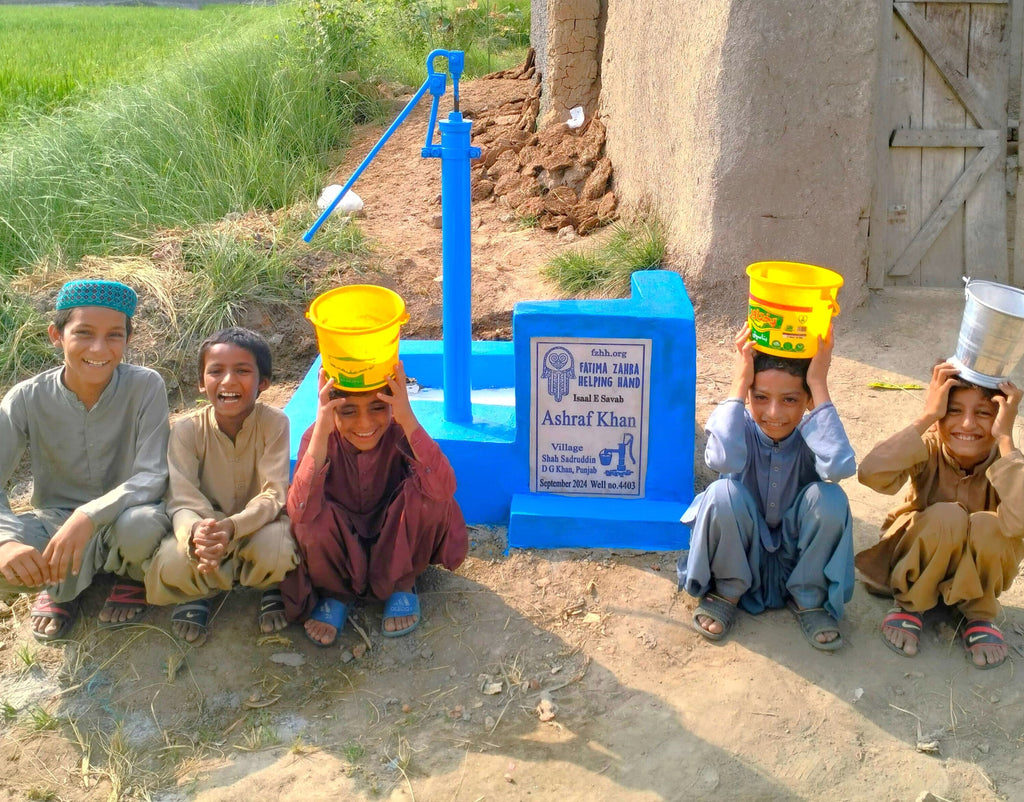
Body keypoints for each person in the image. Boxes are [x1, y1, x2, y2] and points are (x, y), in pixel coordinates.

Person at [0, 279, 170, 641]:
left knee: (142, 526)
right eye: (84, 333)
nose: (99, 348)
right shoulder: (26, 399)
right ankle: (62, 587)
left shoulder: (145, 387)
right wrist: (6, 542)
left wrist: (89, 515)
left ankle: (129, 576)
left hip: (126, 516)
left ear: (128, 338)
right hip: (57, 524)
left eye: (114, 335)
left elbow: (152, 476)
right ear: (56, 335)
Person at [677, 324, 856, 650]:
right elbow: (723, 460)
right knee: (721, 493)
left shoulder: (812, 434)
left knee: (830, 499)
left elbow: (840, 467)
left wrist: (819, 382)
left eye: (790, 399)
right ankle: (727, 589)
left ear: (807, 400)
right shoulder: (739, 425)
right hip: (741, 552)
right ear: (748, 394)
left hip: (796, 556)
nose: (774, 413)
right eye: (760, 397)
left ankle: (809, 597)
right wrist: (737, 383)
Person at [281, 361, 468, 646]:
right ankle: (336, 593)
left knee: (430, 498)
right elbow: (299, 511)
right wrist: (321, 430)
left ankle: (401, 584)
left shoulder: (400, 429)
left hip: (395, 538)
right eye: (348, 411)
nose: (365, 424)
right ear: (331, 410)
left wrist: (407, 418)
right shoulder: (319, 436)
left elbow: (444, 489)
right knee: (309, 520)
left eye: (378, 407)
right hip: (340, 542)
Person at [856, 362, 1023, 669]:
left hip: (974, 578)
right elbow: (870, 474)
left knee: (993, 525)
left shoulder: (1007, 463)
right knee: (948, 517)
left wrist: (1005, 440)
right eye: (953, 410)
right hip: (914, 562)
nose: (968, 424)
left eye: (984, 413)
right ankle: (911, 605)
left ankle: (978, 613)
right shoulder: (929, 444)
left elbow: (1020, 523)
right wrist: (926, 418)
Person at [144, 328, 297, 645]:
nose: (228, 381)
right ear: (202, 382)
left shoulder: (275, 423)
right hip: (206, 528)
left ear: (263, 383)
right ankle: (200, 590)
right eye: (216, 371)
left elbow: (273, 494)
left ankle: (265, 586)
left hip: (258, 525)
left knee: (279, 548)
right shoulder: (186, 430)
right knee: (172, 560)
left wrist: (233, 526)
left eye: (242, 371)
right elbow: (181, 499)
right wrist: (200, 534)